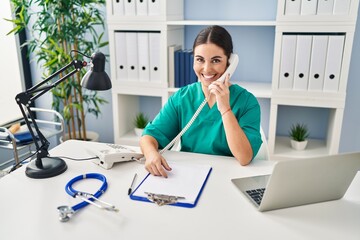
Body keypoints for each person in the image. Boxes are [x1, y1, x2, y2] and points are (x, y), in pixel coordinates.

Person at [140, 25, 262, 177]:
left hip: (227, 177)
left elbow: (244, 158)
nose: (206, 69)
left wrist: (225, 109)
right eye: (200, 60)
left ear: (229, 63)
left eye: (216, 60)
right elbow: (149, 137)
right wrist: (151, 154)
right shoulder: (182, 98)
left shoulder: (247, 102)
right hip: (189, 175)